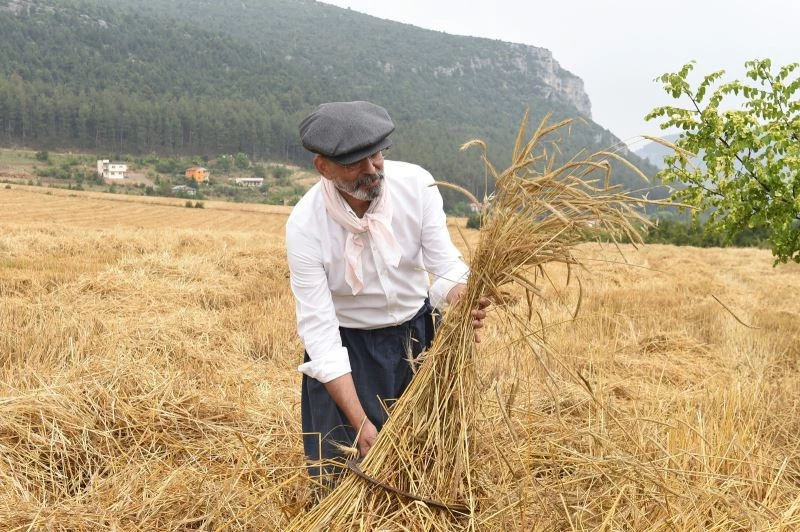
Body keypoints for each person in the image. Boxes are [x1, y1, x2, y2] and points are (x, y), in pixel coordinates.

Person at [285, 101, 488, 487]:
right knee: (344, 481)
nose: (371, 170)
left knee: (424, 469)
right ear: (322, 167)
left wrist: (463, 296)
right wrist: (360, 423)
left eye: (376, 156)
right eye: (353, 164)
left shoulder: (417, 186)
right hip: (349, 354)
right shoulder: (305, 226)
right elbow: (320, 334)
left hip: (418, 343)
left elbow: (445, 266)